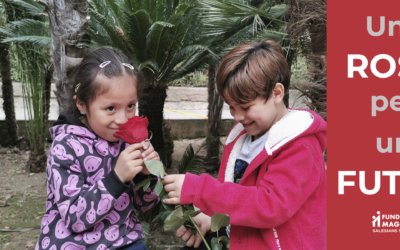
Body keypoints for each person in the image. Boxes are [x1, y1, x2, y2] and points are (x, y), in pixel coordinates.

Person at [162, 40, 327, 250]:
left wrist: (199, 190)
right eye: (232, 107)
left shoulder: (300, 147)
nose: (238, 116)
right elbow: (238, 200)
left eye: (246, 107)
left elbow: (269, 205)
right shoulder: (243, 139)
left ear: (276, 93)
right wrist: (212, 221)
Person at [35, 48, 160, 250]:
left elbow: (146, 205)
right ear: (82, 105)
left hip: (123, 242)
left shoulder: (133, 141)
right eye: (110, 108)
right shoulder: (66, 147)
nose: (122, 119)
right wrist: (117, 178)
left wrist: (147, 175)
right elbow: (75, 218)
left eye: (131, 105)